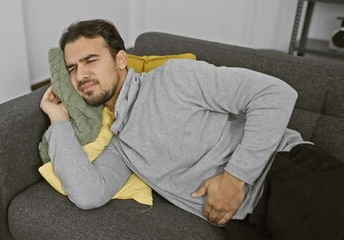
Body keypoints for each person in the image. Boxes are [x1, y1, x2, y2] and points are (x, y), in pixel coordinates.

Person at [39, 19, 306, 227]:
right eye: (72, 68)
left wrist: (236, 178)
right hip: (251, 222)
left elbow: (276, 94)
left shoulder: (172, 78)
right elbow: (88, 194)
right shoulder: (122, 145)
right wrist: (59, 120)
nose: (81, 75)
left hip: (288, 174)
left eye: (90, 60)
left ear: (120, 60)